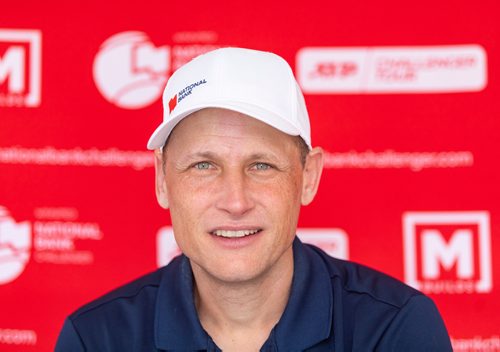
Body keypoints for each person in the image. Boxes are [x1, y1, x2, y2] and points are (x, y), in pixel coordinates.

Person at [55, 47, 452, 351]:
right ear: (162, 179)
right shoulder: (97, 339)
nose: (235, 200)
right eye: (203, 166)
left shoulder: (394, 330)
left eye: (261, 165)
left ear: (308, 176)